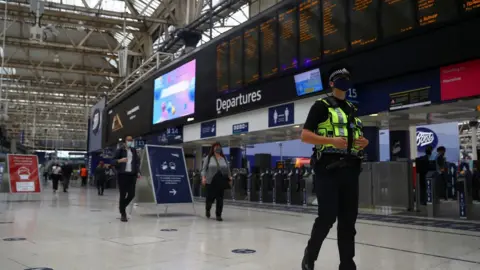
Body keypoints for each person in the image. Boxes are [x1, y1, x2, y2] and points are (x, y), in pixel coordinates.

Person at [300, 67, 369, 270]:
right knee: (327, 216)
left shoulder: (351, 108)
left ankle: (347, 264)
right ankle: (309, 257)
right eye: (339, 79)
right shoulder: (321, 106)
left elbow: (351, 136)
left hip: (351, 169)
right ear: (331, 84)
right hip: (327, 168)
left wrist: (363, 142)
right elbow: (305, 135)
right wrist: (330, 141)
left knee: (348, 221)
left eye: (347, 79)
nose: (343, 82)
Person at [201, 142, 232, 221]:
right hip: (210, 181)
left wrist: (229, 177)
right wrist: (203, 178)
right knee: (210, 199)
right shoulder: (208, 158)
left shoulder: (224, 158)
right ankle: (208, 209)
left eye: (219, 146)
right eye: (216, 146)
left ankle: (218, 215)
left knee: (220, 199)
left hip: (220, 181)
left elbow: (227, 169)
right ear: (213, 148)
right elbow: (204, 169)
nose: (218, 148)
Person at [114, 136, 140, 222]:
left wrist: (138, 172)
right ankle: (123, 214)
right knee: (123, 194)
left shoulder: (133, 150)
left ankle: (122, 207)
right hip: (122, 175)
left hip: (132, 175)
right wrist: (120, 160)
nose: (130, 142)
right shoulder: (120, 150)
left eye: (131, 140)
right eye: (128, 140)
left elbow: (136, 162)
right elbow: (112, 161)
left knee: (132, 194)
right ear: (125, 141)